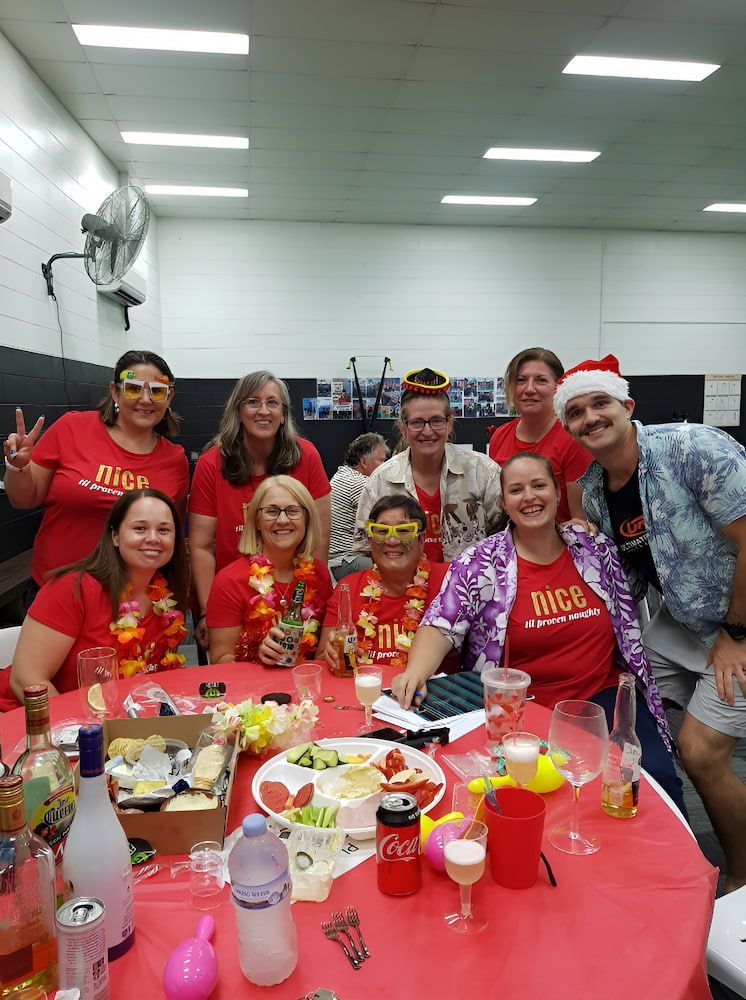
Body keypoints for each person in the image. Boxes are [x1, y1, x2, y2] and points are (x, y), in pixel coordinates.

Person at [392, 452, 684, 814]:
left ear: (558, 493)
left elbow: (655, 574)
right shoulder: (481, 562)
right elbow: (442, 622)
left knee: (651, 783)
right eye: (516, 489)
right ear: (504, 502)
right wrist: (416, 671)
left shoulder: (595, 550)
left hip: (602, 700)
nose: (529, 496)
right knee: (534, 801)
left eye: (539, 485)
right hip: (525, 710)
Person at [554, 354, 746, 891]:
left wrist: (736, 636)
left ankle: (740, 876)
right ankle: (631, 849)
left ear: (627, 406)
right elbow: (628, 574)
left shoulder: (692, 449)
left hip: (736, 628)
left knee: (701, 753)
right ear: (568, 428)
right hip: (679, 627)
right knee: (621, 703)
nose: (590, 417)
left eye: (600, 403)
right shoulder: (594, 490)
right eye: (576, 412)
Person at [3, 350, 189, 601]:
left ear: (169, 398)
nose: (145, 400)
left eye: (157, 391)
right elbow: (24, 499)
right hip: (56, 591)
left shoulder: (174, 459)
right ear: (115, 391)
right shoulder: (73, 427)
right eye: (133, 389)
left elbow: (170, 533)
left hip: (130, 597)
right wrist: (18, 467)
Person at [189, 371, 331, 649]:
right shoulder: (212, 463)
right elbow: (202, 545)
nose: (263, 411)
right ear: (238, 410)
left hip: (294, 596)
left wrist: (310, 601)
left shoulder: (306, 456)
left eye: (272, 403)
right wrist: (209, 610)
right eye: (253, 402)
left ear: (283, 413)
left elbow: (319, 540)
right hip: (233, 599)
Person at [5, 489, 189, 703]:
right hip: (39, 724)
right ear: (115, 536)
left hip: (120, 723)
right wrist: (85, 733)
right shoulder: (72, 589)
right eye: (140, 528)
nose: (153, 538)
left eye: (164, 530)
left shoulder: (167, 601)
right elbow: (26, 679)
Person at [355, 368, 501, 561]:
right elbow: (364, 547)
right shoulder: (382, 480)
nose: (427, 431)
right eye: (417, 422)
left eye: (436, 421)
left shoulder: (482, 471)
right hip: (404, 589)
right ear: (403, 428)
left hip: (470, 588)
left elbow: (506, 537)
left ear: (449, 424)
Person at [320, 494, 456, 685]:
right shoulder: (348, 588)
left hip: (434, 701)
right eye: (382, 531)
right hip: (363, 697)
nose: (392, 541)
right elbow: (320, 659)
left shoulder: (450, 581)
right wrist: (332, 653)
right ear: (370, 540)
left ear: (421, 539)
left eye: (404, 531)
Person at [207, 476, 333, 666]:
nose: (283, 520)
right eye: (271, 511)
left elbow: (322, 656)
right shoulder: (228, 581)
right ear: (256, 521)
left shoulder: (318, 574)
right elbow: (221, 660)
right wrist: (256, 655)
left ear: (307, 520)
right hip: (252, 692)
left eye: (292, 511)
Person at [488, 347, 590, 522]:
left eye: (541, 380)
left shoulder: (572, 438)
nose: (529, 389)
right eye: (521, 380)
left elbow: (580, 523)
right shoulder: (500, 436)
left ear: (558, 387)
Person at [329, 432, 389, 581]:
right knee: (397, 565)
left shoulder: (343, 475)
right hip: (345, 560)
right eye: (382, 461)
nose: (387, 467)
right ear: (363, 462)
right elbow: (392, 516)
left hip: (341, 559)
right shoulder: (360, 484)